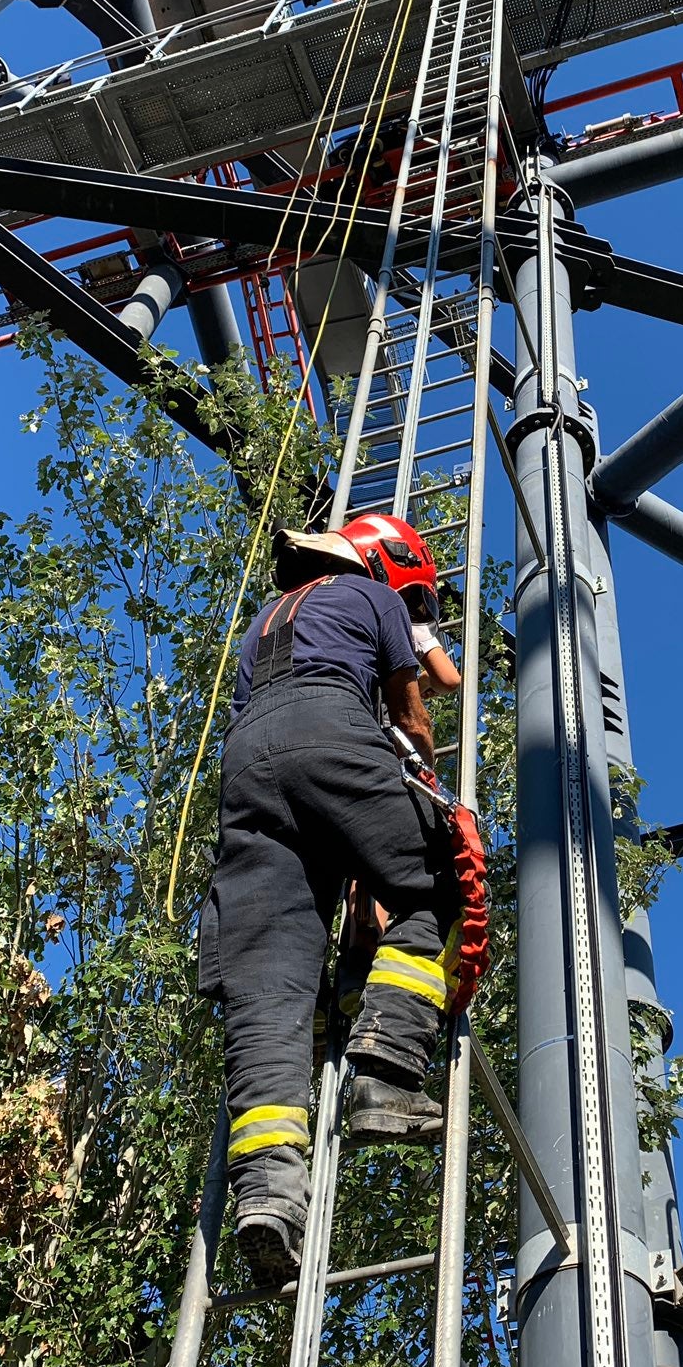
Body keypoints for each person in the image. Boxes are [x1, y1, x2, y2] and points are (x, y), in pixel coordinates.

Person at [196, 515, 459, 1290]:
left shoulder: (264, 622)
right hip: (329, 727)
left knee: (266, 983)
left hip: (245, 769)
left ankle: (268, 1194)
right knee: (441, 880)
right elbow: (414, 712)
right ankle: (386, 1074)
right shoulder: (370, 595)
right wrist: (425, 789)